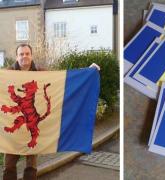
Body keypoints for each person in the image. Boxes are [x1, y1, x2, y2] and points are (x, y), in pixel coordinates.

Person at [3, 44, 100, 180]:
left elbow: (64, 81)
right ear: (16, 57)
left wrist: (88, 72)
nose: (24, 56)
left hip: (33, 122)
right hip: (14, 136)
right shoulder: (7, 74)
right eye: (21, 54)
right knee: (9, 165)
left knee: (31, 166)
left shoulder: (42, 73)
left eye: (27, 53)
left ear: (31, 56)